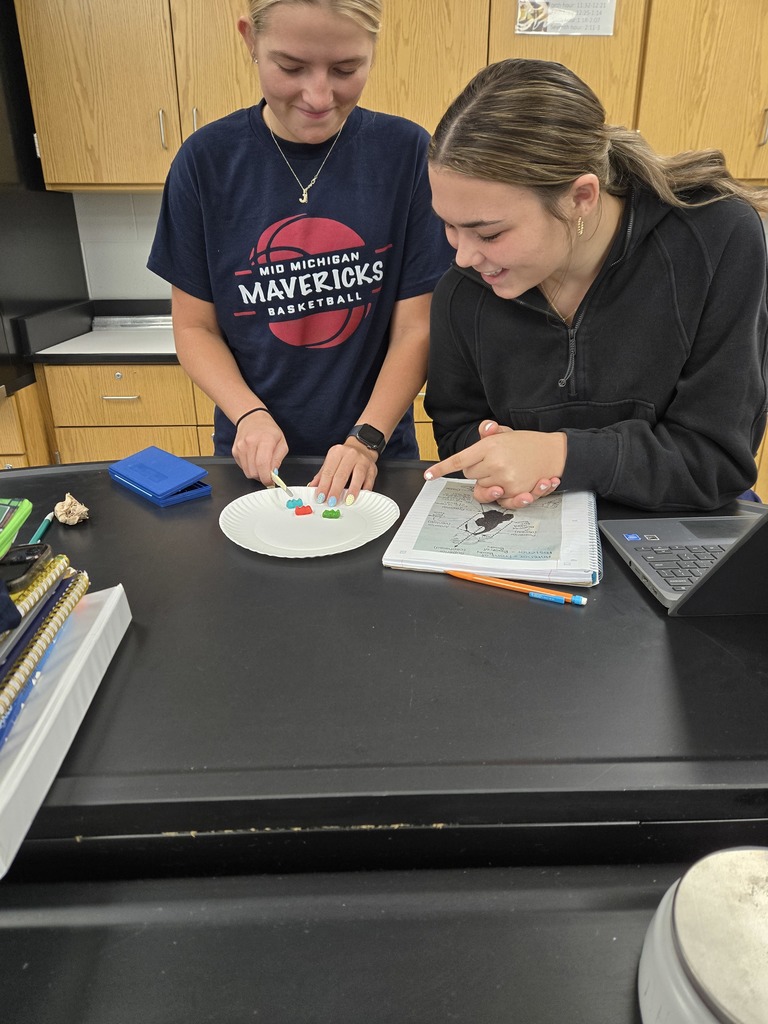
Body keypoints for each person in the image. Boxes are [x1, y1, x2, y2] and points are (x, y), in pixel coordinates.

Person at [423, 58, 768, 512]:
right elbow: (457, 428)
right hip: (529, 523)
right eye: (449, 226)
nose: (463, 257)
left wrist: (561, 454)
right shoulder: (463, 292)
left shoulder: (717, 238)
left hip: (680, 519)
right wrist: (494, 452)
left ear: (580, 197)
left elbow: (716, 460)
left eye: (489, 234)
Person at [148, 0, 452, 505]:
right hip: (253, 459)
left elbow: (416, 327)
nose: (318, 95)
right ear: (249, 39)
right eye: (290, 67)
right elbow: (194, 328)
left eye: (346, 69)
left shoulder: (407, 155)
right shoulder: (206, 161)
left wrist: (367, 438)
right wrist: (249, 414)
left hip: (375, 457)